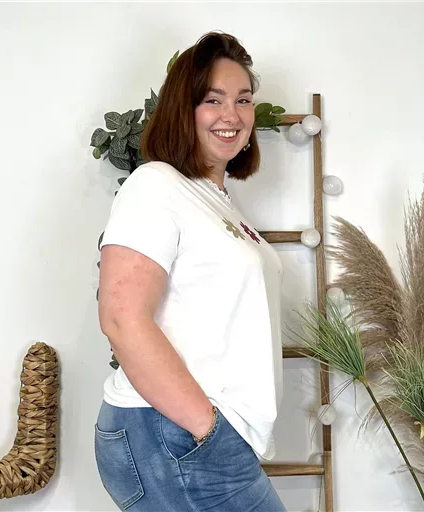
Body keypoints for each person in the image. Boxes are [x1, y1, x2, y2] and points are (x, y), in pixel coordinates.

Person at [94, 31, 287, 512]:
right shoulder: (155, 184)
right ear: (184, 109)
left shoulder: (216, 201)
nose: (232, 114)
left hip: (197, 435)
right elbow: (121, 316)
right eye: (212, 100)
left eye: (243, 99)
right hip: (173, 432)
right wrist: (206, 427)